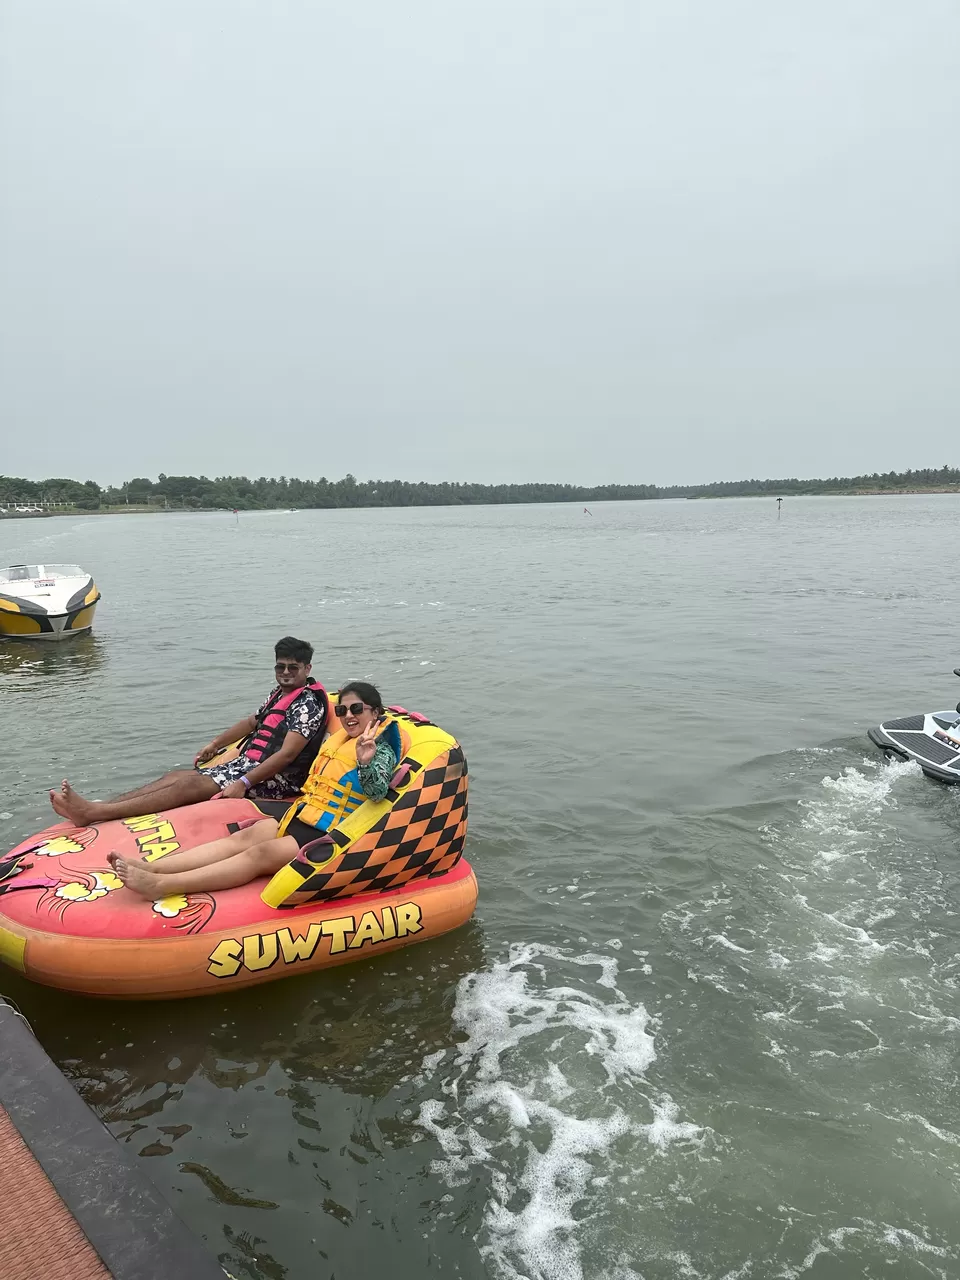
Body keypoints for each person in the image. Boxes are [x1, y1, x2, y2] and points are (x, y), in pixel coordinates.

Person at [112, 682, 397, 899]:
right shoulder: (341, 740)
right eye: (342, 710)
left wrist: (365, 761)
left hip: (331, 832)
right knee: (244, 837)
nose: (348, 716)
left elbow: (376, 793)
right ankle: (155, 867)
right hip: (304, 814)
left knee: (259, 855)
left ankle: (162, 886)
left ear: (375, 712)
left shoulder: (378, 747)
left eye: (357, 709)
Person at [50, 637, 328, 825]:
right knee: (174, 776)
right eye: (281, 666)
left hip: (279, 780)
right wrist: (216, 743)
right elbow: (252, 723)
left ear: (307, 668)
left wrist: (242, 784)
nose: (286, 672)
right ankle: (102, 806)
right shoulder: (279, 693)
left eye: (293, 667)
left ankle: (93, 812)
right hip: (247, 765)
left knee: (188, 785)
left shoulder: (308, 703)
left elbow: (287, 755)